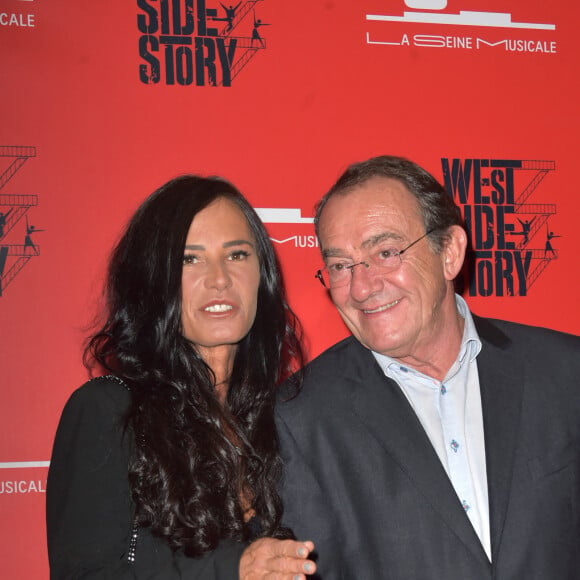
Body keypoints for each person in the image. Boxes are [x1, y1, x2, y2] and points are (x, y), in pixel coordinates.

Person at [276, 156, 580, 579]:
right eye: (341, 266)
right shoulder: (300, 419)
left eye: (385, 252)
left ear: (450, 253)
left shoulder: (566, 374)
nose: (361, 287)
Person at [47, 175, 316, 579]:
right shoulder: (108, 413)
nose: (220, 279)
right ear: (155, 281)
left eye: (237, 255)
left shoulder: (284, 419)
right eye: (189, 259)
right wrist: (230, 571)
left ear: (263, 275)